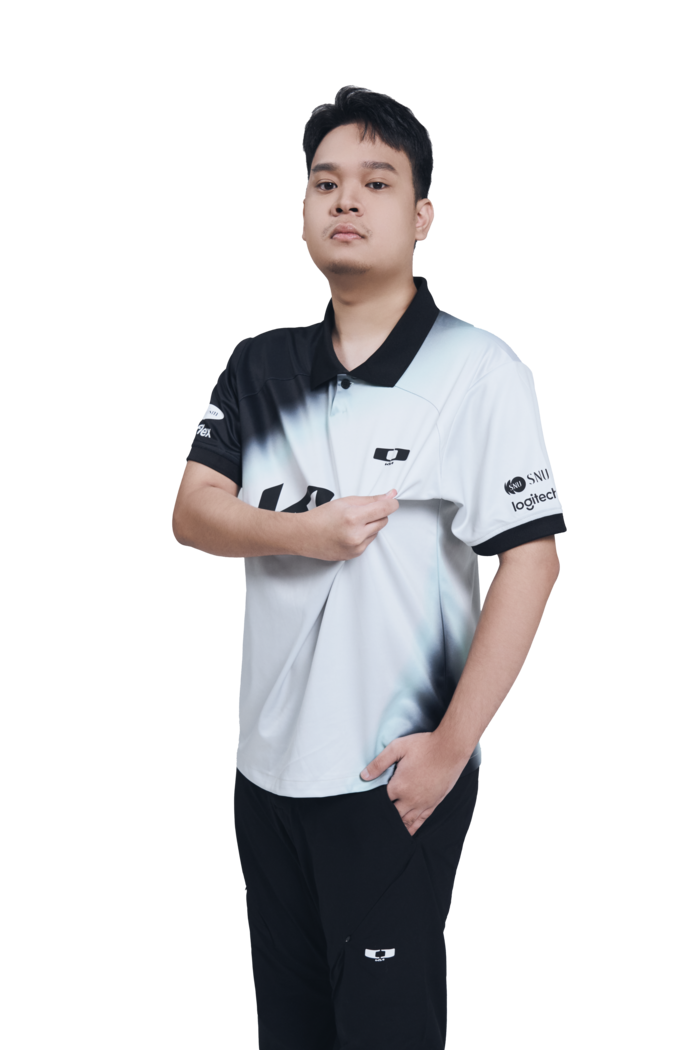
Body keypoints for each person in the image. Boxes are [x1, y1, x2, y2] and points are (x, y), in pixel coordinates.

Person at [171, 83, 566, 1049]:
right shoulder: (258, 364)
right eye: (325, 182)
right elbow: (190, 515)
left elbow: (533, 562)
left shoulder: (479, 369)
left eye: (377, 182)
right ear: (303, 210)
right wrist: (304, 535)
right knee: (291, 1033)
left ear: (423, 216)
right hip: (263, 776)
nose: (346, 199)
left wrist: (449, 749)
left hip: (390, 778)